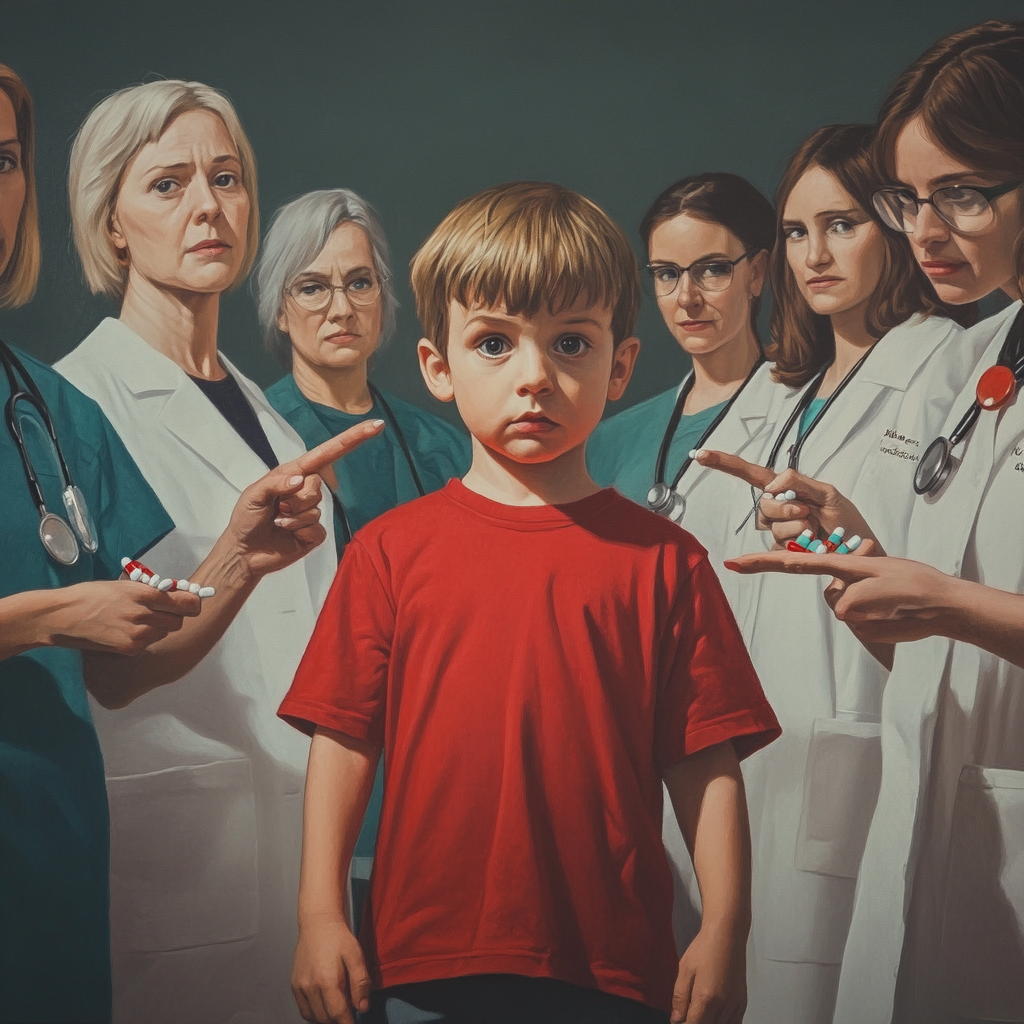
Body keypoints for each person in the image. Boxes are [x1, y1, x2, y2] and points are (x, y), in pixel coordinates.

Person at [279, 181, 782, 1024]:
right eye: (494, 344)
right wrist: (320, 914)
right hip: (422, 962)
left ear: (620, 366)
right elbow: (343, 741)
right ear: (438, 366)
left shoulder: (667, 565)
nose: (536, 378)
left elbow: (705, 764)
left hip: (612, 969)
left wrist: (726, 930)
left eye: (571, 343)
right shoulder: (390, 555)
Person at [0, 66, 363, 1024]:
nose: (210, 206)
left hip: (299, 846)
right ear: (110, 223)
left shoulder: (276, 422)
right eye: (169, 184)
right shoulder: (82, 401)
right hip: (166, 849)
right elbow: (119, 659)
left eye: (228, 177)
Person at [725, 20, 1024, 1024]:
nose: (923, 231)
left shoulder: (949, 352)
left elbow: (967, 608)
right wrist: (859, 552)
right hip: (930, 817)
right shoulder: (992, 360)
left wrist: (941, 599)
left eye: (964, 194)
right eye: (907, 198)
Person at [258, 187, 471, 920]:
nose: (340, 308)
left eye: (359, 282)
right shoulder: (255, 438)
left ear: (384, 299)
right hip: (318, 756)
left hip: (440, 758)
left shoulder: (442, 442)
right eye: (311, 287)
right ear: (279, 310)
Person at [585, 173, 774, 596]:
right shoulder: (608, 441)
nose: (687, 297)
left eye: (712, 269)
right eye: (667, 273)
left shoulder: (808, 416)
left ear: (757, 273)